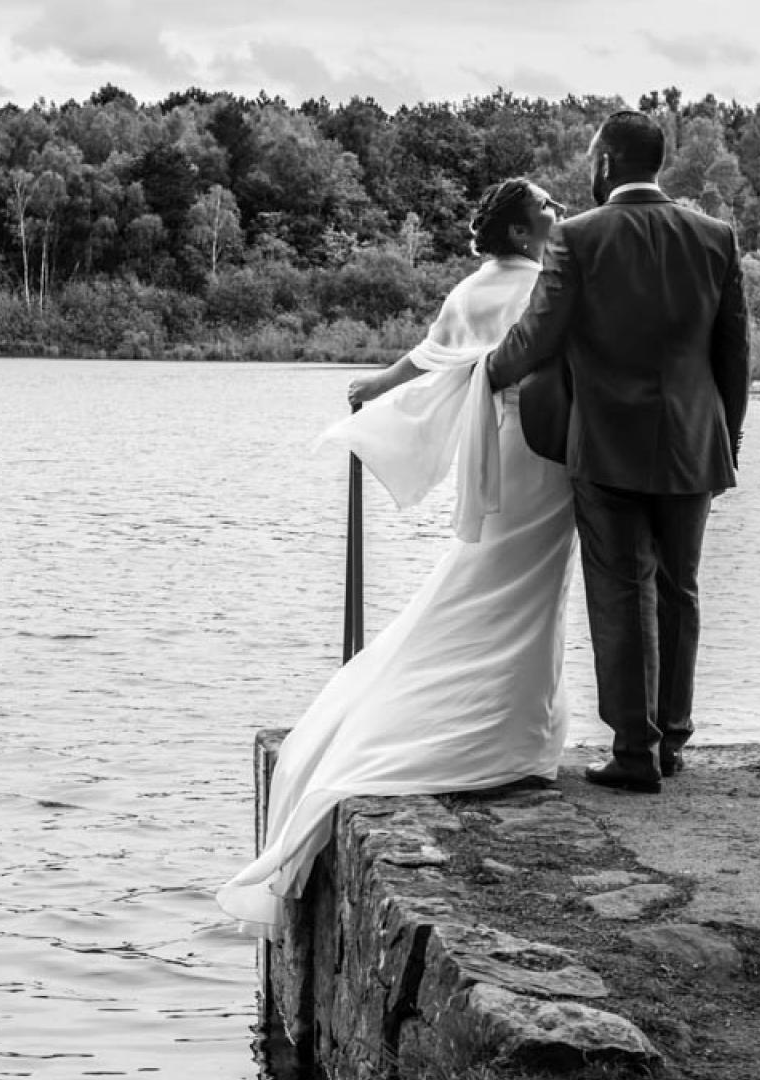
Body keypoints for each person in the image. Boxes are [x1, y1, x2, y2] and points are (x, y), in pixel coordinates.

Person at [217, 179, 574, 935]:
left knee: (493, 582)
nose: (557, 212)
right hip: (542, 454)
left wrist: (377, 384)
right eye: (545, 207)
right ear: (519, 229)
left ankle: (508, 721)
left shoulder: (477, 288)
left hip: (509, 449)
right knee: (521, 587)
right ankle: (501, 728)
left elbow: (427, 358)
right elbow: (465, 357)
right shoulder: (543, 285)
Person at [485, 110, 750, 795]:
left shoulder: (578, 238)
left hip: (607, 444)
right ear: (656, 163)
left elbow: (535, 340)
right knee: (679, 587)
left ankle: (634, 751)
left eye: (592, 156)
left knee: (620, 589)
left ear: (606, 161)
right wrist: (730, 444)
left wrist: (477, 374)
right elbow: (733, 356)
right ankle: (673, 738)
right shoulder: (716, 236)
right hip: (695, 443)